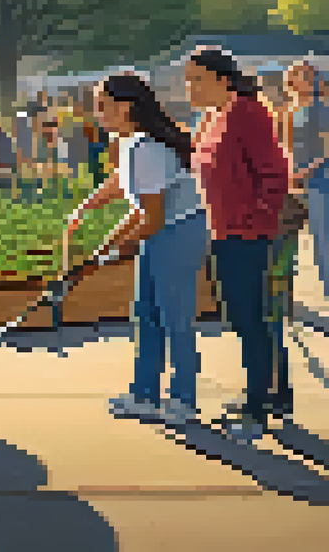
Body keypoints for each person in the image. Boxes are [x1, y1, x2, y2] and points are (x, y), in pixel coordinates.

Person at [68, 74, 208, 425]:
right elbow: (134, 202)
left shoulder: (149, 148)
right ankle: (144, 395)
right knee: (145, 313)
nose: (97, 113)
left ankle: (183, 400)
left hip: (179, 231)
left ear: (126, 106)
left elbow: (154, 217)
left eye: (102, 106)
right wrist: (103, 234)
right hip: (162, 228)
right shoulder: (132, 143)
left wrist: (114, 254)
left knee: (174, 317)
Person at [185, 47, 292, 439]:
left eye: (196, 79)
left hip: (246, 236)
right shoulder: (214, 117)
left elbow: (275, 173)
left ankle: (256, 411)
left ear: (221, 78)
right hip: (225, 231)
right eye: (188, 79)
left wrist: (254, 221)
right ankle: (272, 394)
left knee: (250, 320)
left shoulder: (247, 112)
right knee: (247, 318)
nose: (189, 87)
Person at [283, 61, 329, 297]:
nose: (306, 79)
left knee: (324, 234)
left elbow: (326, 147)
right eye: (300, 74)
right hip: (300, 180)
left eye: (309, 74)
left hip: (322, 177)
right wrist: (291, 173)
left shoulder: (322, 108)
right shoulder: (291, 110)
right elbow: (288, 146)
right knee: (315, 237)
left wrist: (307, 170)